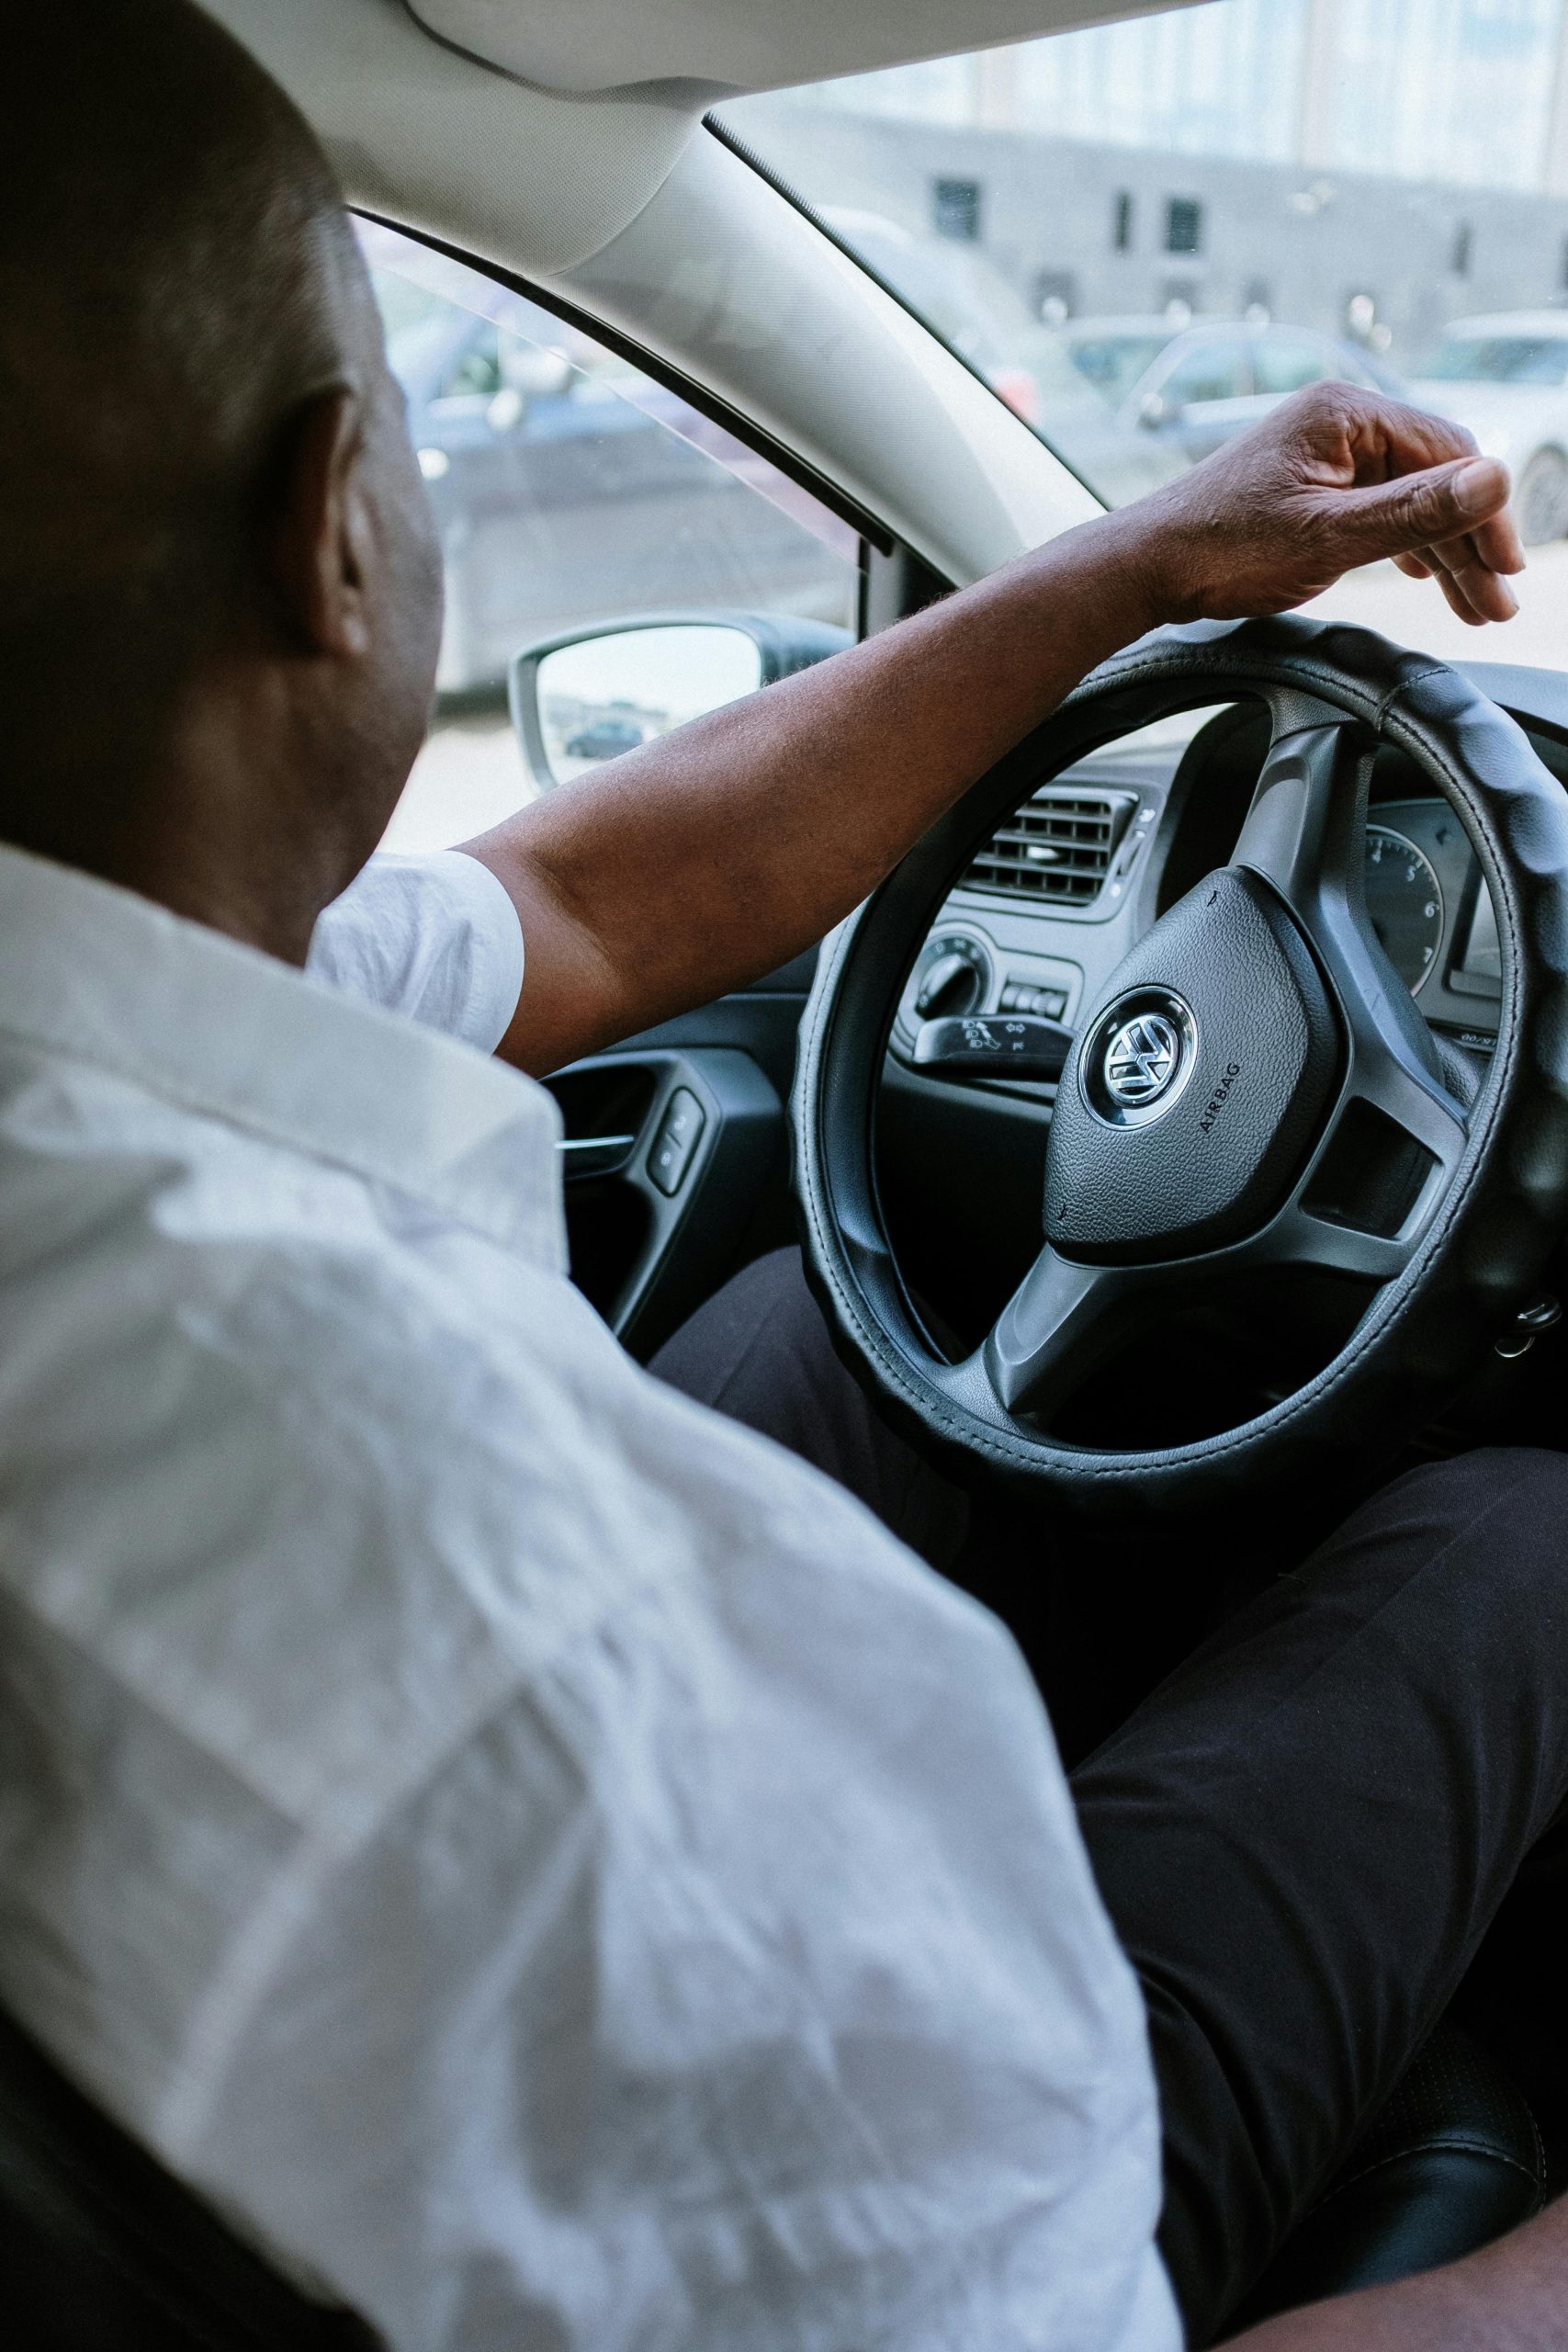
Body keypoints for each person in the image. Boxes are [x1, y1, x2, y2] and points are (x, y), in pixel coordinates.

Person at [2, 6, 1565, 2349]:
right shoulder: (485, 1607)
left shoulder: (141, 980)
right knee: (1517, 1532)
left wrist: (1130, 563)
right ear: (335, 525)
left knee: (828, 1327)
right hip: (960, 2218)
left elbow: (590, 908)